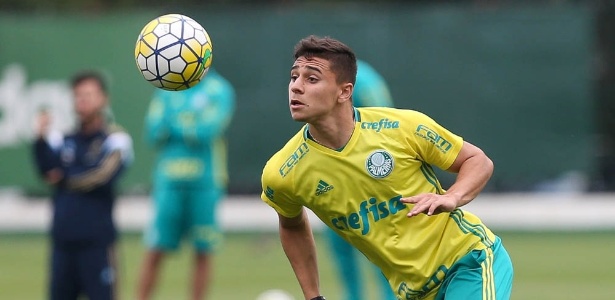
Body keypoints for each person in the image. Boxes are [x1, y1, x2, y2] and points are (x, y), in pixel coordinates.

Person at [260, 35, 514, 300]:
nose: (296, 87)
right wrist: (313, 296)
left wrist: (452, 196)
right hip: (413, 293)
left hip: (468, 262)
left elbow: (477, 161)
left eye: (311, 79)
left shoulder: (401, 127)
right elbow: (291, 225)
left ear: (344, 91)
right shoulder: (283, 173)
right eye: (293, 77)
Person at [32, 70, 134, 300]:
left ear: (103, 99)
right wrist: (39, 138)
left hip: (96, 244)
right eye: (78, 95)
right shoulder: (63, 139)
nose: (83, 101)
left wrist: (66, 178)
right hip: (63, 243)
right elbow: (46, 170)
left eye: (89, 94)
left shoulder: (115, 139)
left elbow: (101, 176)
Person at [136, 67, 235, 300]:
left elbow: (207, 130)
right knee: (155, 248)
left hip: (206, 182)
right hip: (169, 181)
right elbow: (152, 132)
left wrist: (176, 123)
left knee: (203, 250)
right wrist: (189, 125)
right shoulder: (166, 88)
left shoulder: (218, 89)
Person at [323, 59, 396, 300]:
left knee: (378, 251)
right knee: (359, 250)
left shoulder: (359, 79)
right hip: (339, 176)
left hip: (360, 177)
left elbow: (381, 124)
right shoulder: (363, 74)